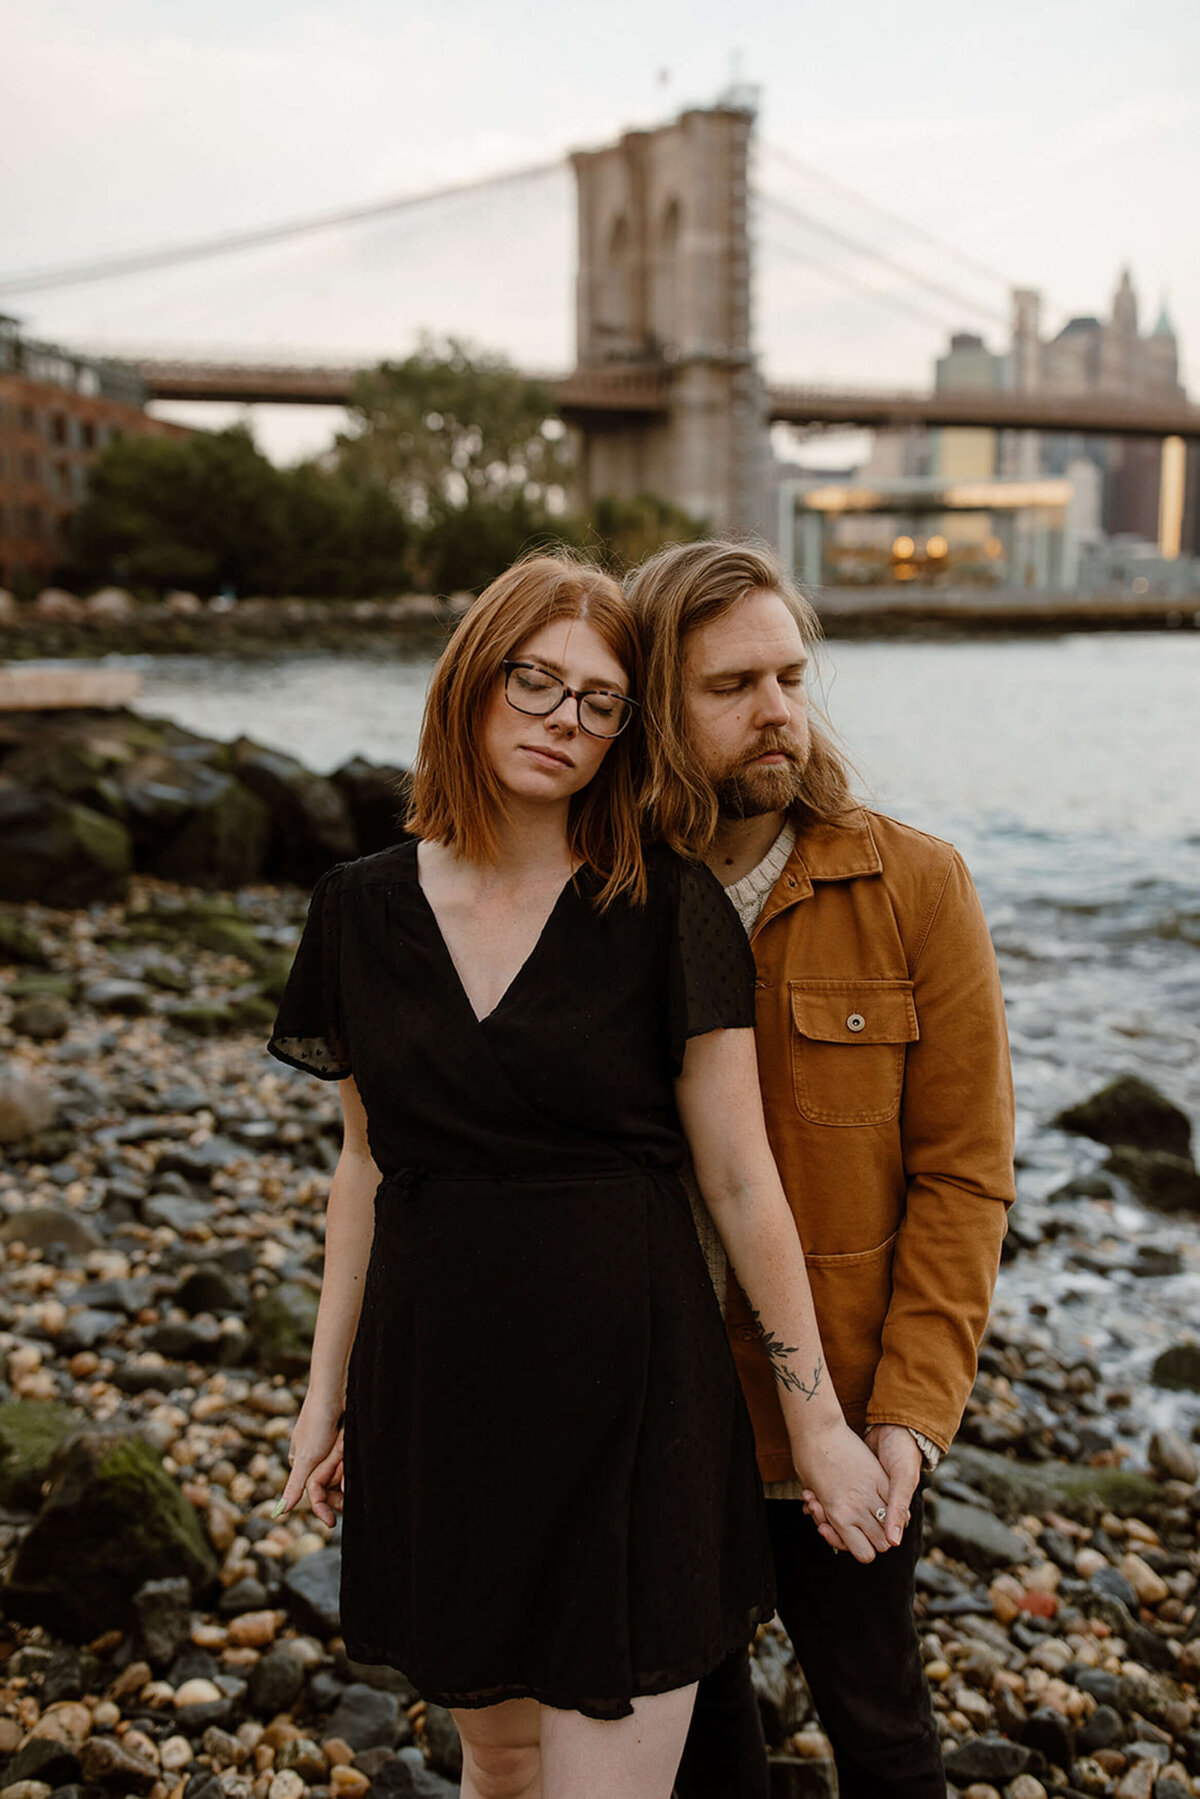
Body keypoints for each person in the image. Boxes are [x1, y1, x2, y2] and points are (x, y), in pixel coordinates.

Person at [267, 553, 895, 1799]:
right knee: (497, 1768)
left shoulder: (668, 909)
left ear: (624, 732)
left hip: (635, 1408)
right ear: (473, 681)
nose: (564, 718)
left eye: (600, 701)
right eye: (536, 681)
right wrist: (324, 1394)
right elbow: (364, 1164)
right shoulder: (356, 911)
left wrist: (816, 1417)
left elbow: (740, 1176)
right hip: (438, 1395)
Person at [625, 539, 1016, 1799]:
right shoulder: (601, 894)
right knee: (695, 1733)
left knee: (882, 1716)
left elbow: (965, 1178)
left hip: (843, 1417)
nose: (778, 711)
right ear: (654, 707)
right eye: (732, 686)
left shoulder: (915, 885)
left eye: (792, 674)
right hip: (656, 1420)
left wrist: (909, 1416)